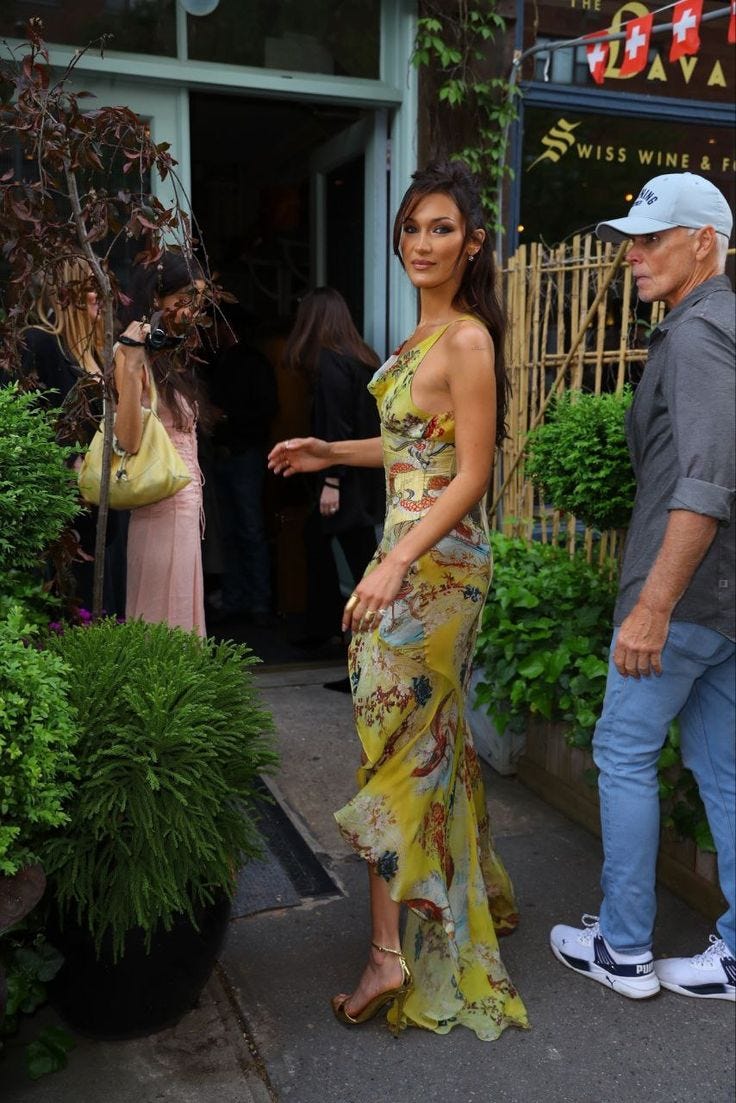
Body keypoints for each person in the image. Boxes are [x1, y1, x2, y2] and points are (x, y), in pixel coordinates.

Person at [269, 162, 528, 1040]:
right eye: (413, 226)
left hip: (437, 566)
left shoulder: (467, 340)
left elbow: (472, 472)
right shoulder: (422, 335)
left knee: (395, 746)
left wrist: (397, 561)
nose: (422, 243)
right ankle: (458, 899)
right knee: (421, 738)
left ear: (473, 243)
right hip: (407, 555)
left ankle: (389, 953)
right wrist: (331, 451)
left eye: (441, 228)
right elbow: (414, 447)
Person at [550, 173, 735, 1002]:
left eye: (653, 238)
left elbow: (705, 485)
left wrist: (653, 607)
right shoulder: (716, 327)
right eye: (632, 239)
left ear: (705, 242)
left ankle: (623, 949)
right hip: (722, 603)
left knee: (623, 752)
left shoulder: (699, 336)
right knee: (724, 770)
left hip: (685, 598)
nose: (634, 253)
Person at [19, 257, 124, 615]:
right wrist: (67, 462)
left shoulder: (95, 351)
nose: (103, 296)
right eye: (93, 287)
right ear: (68, 294)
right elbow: (21, 424)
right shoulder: (38, 343)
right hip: (63, 516)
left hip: (100, 513)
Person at [283, 287, 384, 653]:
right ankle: (328, 629)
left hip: (347, 477)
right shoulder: (361, 357)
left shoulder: (331, 363)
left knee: (362, 565)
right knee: (337, 547)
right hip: (363, 473)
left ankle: (361, 649)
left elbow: (337, 426)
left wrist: (331, 481)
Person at [114, 252, 208, 636]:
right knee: (162, 618)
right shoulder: (131, 352)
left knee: (180, 609)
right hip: (160, 501)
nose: (192, 311)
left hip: (184, 505)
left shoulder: (168, 353)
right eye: (185, 299)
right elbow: (127, 439)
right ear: (157, 297)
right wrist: (132, 364)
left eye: (198, 301)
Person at [208, 306, 279, 627]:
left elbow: (268, 409)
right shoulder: (215, 361)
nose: (212, 332)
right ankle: (234, 598)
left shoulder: (253, 362)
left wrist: (227, 416)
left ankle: (259, 601)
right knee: (227, 531)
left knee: (250, 529)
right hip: (220, 453)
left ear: (229, 327)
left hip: (246, 453)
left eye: (218, 326)